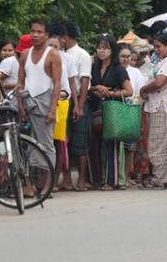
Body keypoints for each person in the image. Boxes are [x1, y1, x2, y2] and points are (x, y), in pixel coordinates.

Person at [18, 19, 63, 197]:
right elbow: (21, 82)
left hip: (44, 103)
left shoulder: (52, 55)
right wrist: (21, 106)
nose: (35, 35)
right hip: (28, 102)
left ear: (47, 35)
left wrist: (52, 109)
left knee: (46, 145)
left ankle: (48, 186)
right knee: (28, 146)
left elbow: (57, 83)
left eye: (39, 32)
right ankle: (31, 185)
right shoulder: (25, 54)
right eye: (33, 31)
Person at [88, 34, 133, 190]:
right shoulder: (93, 67)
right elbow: (88, 87)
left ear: (112, 50)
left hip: (113, 110)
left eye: (105, 48)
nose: (101, 51)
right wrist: (96, 88)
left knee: (111, 145)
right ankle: (96, 178)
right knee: (94, 144)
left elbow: (129, 91)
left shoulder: (118, 69)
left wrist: (111, 93)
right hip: (96, 110)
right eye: (99, 47)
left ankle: (111, 180)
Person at [140, 34, 167, 189]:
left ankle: (158, 178)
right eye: (154, 47)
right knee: (165, 143)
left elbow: (160, 82)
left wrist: (144, 89)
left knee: (157, 144)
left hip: (162, 106)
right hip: (162, 105)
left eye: (159, 46)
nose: (156, 50)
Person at [61, 21, 92, 191]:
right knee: (64, 140)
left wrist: (79, 106)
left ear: (64, 37)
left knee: (80, 142)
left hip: (79, 99)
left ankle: (81, 179)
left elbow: (84, 81)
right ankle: (66, 179)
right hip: (63, 100)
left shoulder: (82, 55)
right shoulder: (59, 53)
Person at [47, 32, 79, 192]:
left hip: (59, 106)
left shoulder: (64, 62)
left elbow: (68, 88)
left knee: (57, 144)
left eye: (55, 46)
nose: (52, 49)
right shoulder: (35, 61)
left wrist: (76, 105)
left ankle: (53, 180)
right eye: (49, 46)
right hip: (39, 107)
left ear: (60, 48)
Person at [118, 44, 146, 187]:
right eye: (122, 56)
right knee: (118, 145)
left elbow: (141, 92)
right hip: (116, 111)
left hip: (132, 110)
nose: (125, 59)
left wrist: (138, 110)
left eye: (128, 56)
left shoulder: (135, 72)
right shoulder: (114, 70)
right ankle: (118, 176)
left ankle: (128, 175)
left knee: (130, 147)